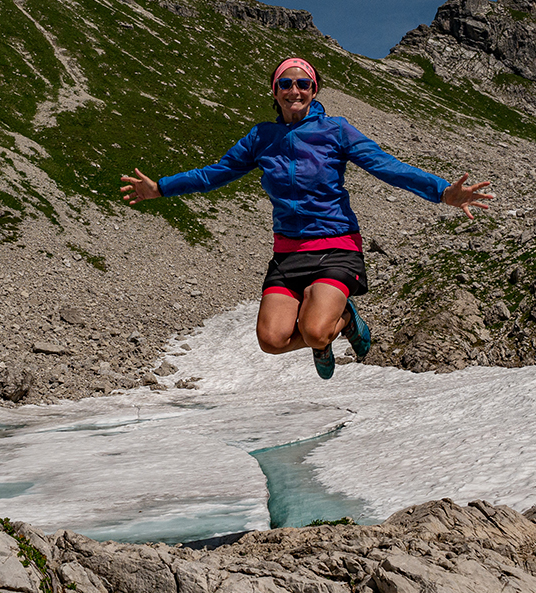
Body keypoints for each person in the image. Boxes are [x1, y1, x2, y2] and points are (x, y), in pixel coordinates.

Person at [120, 57, 493, 379]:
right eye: (286, 83)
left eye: (303, 83)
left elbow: (386, 166)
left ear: (314, 90)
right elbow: (214, 174)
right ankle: (330, 325)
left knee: (315, 331)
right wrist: (162, 188)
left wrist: (442, 191)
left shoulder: (336, 129)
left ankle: (342, 319)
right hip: (288, 254)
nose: (294, 90)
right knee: (271, 340)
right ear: (274, 90)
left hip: (336, 245)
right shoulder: (259, 138)